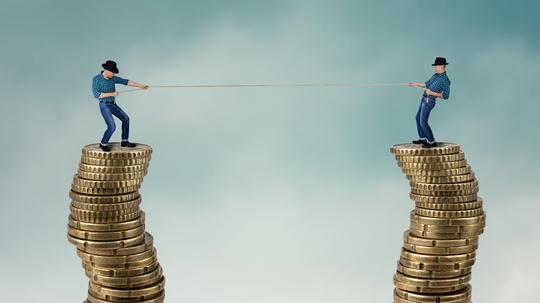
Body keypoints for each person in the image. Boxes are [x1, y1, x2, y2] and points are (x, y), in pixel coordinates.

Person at [92, 60, 149, 152]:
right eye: (113, 72)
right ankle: (103, 143)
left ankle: (124, 141)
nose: (114, 74)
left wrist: (141, 86)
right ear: (107, 71)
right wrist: (112, 94)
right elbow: (97, 95)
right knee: (112, 127)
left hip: (113, 105)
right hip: (104, 106)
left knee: (126, 119)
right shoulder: (96, 79)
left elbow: (126, 81)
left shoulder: (113, 78)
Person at [408, 57, 451, 148]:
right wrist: (414, 84)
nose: (435, 68)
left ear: (442, 66)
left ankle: (431, 141)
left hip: (429, 101)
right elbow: (426, 84)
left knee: (423, 121)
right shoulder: (435, 76)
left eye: (437, 66)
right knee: (417, 118)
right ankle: (423, 138)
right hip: (424, 99)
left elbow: (446, 96)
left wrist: (431, 93)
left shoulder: (445, 80)